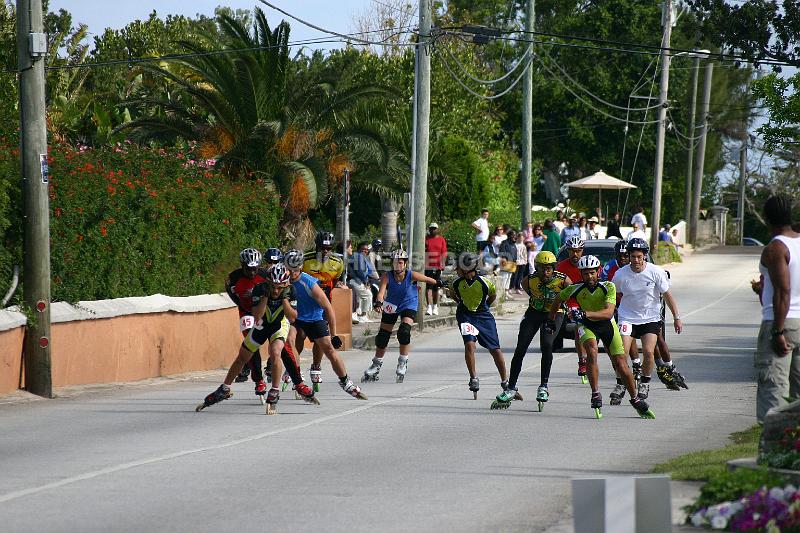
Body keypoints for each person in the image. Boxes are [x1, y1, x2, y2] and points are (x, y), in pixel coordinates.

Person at [197, 263, 318, 413]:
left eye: (279, 287)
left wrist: (284, 299)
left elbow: (292, 318)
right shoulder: (260, 289)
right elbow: (257, 316)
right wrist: (266, 296)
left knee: (275, 352)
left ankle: (274, 390)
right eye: (272, 286)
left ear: (285, 284)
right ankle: (225, 388)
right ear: (267, 282)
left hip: (279, 324)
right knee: (243, 356)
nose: (275, 290)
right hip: (262, 323)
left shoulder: (290, 290)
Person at [549, 255, 655, 419]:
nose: (589, 277)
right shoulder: (575, 288)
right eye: (585, 274)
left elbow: (608, 312)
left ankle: (634, 399)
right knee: (591, 351)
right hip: (587, 326)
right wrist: (551, 321)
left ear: (598, 271)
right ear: (581, 274)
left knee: (621, 363)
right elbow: (557, 299)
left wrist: (584, 313)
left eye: (592, 273)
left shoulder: (608, 286)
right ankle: (596, 393)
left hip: (606, 324)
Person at [492, 251, 571, 410]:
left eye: (548, 269)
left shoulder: (563, 280)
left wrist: (559, 308)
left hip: (555, 314)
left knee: (547, 345)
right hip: (534, 313)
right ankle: (511, 388)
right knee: (521, 348)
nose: (545, 272)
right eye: (542, 269)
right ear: (536, 268)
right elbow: (526, 289)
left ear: (553, 268)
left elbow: (570, 294)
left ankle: (544, 386)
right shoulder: (529, 280)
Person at [286, 249, 367, 400]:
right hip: (295, 319)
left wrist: (334, 334)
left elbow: (328, 308)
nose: (292, 274)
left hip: (314, 318)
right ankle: (297, 378)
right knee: (292, 340)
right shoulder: (283, 281)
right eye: (289, 270)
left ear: (301, 267)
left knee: (329, 349)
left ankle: (345, 382)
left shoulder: (308, 282)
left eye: (295, 270)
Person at [612, 238, 684, 404]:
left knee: (649, 351)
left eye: (639, 256)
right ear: (628, 256)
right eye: (632, 256)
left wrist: (677, 318)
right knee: (621, 354)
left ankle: (644, 383)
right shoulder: (621, 274)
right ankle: (620, 383)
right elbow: (612, 294)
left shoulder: (655, 271)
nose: (636, 260)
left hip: (650, 318)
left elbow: (668, 295)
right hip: (627, 317)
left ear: (645, 255)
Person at [755, 195, 800, 423]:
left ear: (767, 217)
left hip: (781, 321)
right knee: (797, 397)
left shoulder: (776, 248)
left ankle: (773, 452)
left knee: (774, 389)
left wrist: (778, 332)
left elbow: (784, 291)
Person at [362, 249, 438, 383]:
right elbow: (381, 292)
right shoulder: (387, 276)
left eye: (401, 262)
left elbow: (429, 280)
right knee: (382, 337)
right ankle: (376, 364)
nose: (398, 265)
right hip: (392, 304)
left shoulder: (411, 274)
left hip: (409, 304)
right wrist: (379, 302)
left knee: (404, 332)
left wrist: (440, 283)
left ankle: (402, 362)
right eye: (395, 262)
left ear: (405, 264)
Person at [449, 252, 509, 400]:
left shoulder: (485, 283)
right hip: (465, 315)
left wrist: (485, 307)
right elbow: (453, 294)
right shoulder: (456, 283)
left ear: (469, 269)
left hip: (483, 316)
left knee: (495, 350)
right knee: (470, 345)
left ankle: (505, 381)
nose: (457, 270)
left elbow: (493, 296)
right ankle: (473, 378)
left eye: (460, 268)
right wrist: (461, 305)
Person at [303, 230, 345, 390]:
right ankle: (294, 367)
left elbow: (338, 279)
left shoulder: (338, 263)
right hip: (304, 304)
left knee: (321, 339)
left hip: (323, 306)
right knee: (298, 335)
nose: (325, 251)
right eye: (322, 248)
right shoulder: (306, 260)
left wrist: (339, 285)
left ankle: (316, 366)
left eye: (328, 248)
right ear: (317, 246)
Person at [225, 248, 270, 389]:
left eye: (255, 269)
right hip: (246, 312)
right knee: (251, 344)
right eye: (248, 269)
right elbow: (233, 296)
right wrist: (243, 306)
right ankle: (258, 380)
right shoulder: (232, 278)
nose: (252, 272)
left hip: (265, 311)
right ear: (242, 265)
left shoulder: (265, 275)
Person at [556, 236, 588, 383]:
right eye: (572, 251)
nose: (575, 254)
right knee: (578, 327)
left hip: (589, 300)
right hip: (571, 302)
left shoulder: (589, 264)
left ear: (582, 251)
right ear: (567, 251)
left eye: (578, 251)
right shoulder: (560, 267)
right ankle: (582, 361)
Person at [348, 242, 376, 324]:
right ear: (358, 249)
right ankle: (363, 316)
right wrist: (365, 281)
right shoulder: (358, 256)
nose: (365, 251)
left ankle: (359, 315)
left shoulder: (360, 257)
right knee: (368, 295)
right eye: (363, 249)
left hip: (356, 280)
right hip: (355, 280)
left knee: (359, 298)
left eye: (367, 250)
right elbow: (360, 271)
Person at [425, 222, 448, 316]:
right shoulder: (426, 239)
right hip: (428, 266)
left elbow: (444, 252)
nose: (432, 230)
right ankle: (429, 307)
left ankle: (435, 306)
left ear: (437, 229)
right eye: (431, 228)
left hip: (438, 266)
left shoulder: (441, 239)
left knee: (436, 287)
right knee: (428, 287)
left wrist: (442, 265)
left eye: (434, 228)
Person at [498, 229, 518, 299]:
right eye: (513, 235)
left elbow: (515, 254)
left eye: (515, 235)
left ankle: (506, 292)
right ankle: (501, 293)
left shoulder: (514, 244)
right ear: (509, 235)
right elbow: (501, 252)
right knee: (504, 278)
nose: (514, 236)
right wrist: (504, 260)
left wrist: (515, 261)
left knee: (509, 278)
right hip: (505, 262)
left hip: (512, 263)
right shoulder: (504, 243)